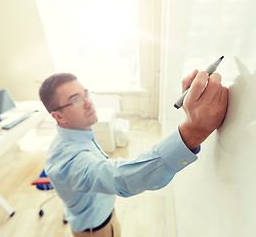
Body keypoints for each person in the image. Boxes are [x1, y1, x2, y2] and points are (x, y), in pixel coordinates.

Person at [39, 70, 228, 237]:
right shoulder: (69, 160)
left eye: (86, 94)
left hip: (103, 214)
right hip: (95, 231)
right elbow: (120, 178)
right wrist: (191, 132)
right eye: (76, 100)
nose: (89, 103)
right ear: (58, 116)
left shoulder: (76, 133)